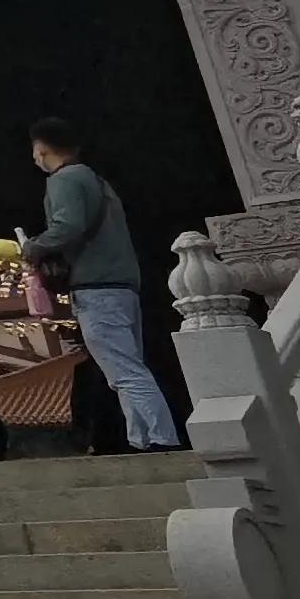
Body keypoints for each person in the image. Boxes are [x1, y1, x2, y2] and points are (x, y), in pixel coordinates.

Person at [26, 118, 183, 451]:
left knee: (125, 371)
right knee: (125, 369)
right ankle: (141, 440)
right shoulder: (97, 181)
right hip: (122, 286)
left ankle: (163, 439)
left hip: (96, 289)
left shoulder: (64, 180)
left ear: (41, 148)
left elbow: (67, 226)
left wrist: (34, 247)